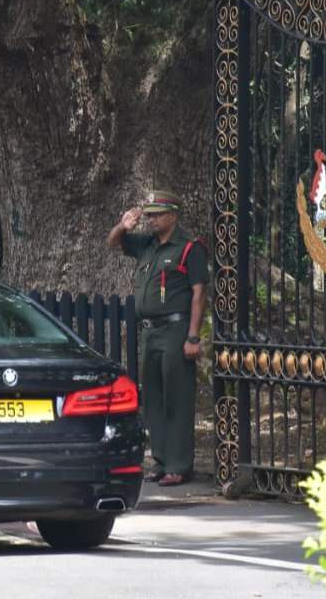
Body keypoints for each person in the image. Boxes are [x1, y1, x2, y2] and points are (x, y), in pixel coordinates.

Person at [106, 189, 208, 487]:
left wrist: (193, 336)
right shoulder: (148, 246)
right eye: (148, 215)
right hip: (150, 331)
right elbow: (114, 243)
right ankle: (161, 461)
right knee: (152, 398)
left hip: (176, 330)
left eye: (156, 215)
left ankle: (178, 465)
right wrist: (122, 227)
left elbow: (199, 293)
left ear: (173, 215)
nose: (150, 220)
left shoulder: (189, 248)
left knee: (176, 397)